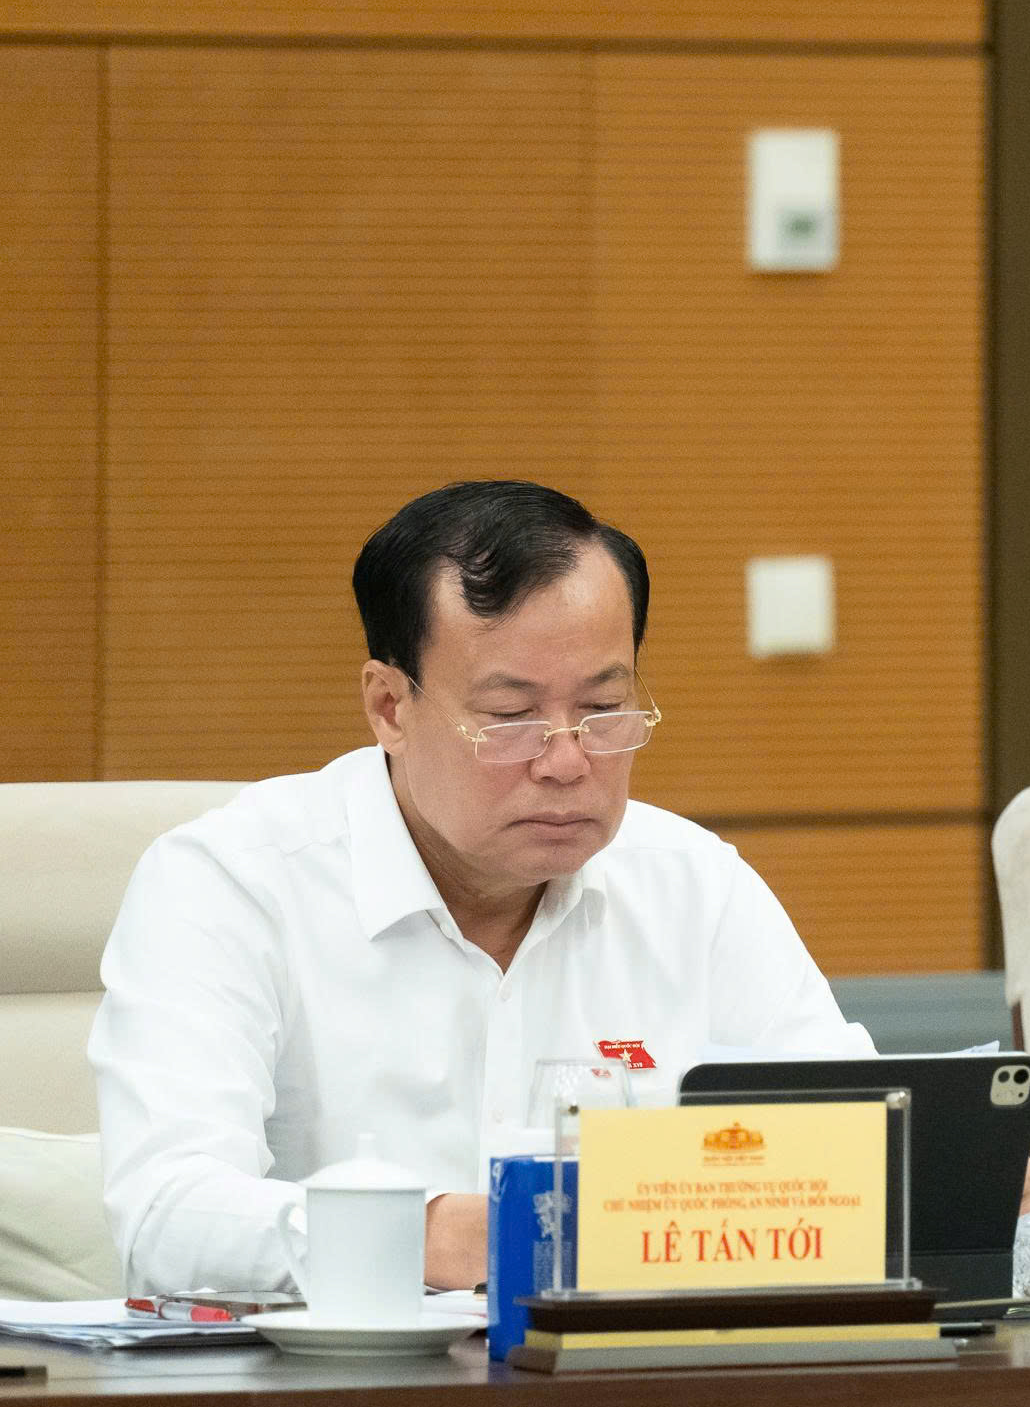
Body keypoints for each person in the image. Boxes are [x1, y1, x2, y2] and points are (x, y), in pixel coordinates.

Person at [92, 481, 890, 1296]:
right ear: (389, 707)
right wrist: (442, 1236)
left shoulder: (694, 886)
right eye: (511, 717)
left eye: (604, 708)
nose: (567, 761)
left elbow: (863, 1154)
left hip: (630, 1366)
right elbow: (167, 1215)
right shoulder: (231, 885)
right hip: (334, 1373)